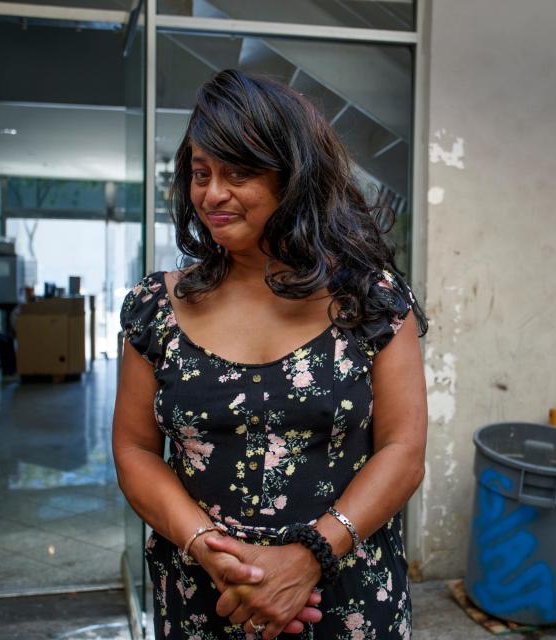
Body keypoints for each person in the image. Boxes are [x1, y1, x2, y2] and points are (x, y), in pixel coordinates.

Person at [113, 69, 428, 640]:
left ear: (294, 177)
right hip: (208, 599)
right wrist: (210, 551)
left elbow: (403, 452)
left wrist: (308, 557)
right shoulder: (154, 307)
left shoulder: (370, 300)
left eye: (237, 173)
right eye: (201, 174)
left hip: (345, 598)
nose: (212, 194)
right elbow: (134, 448)